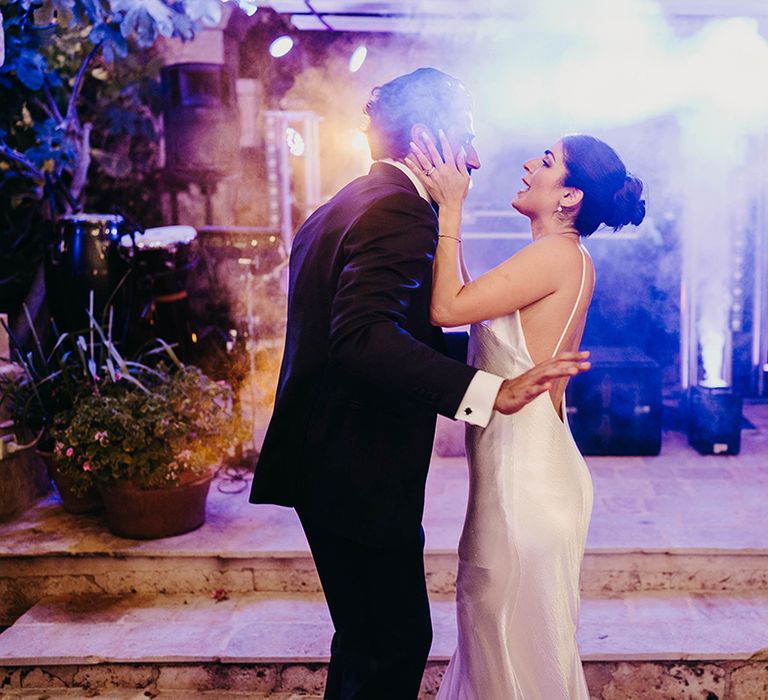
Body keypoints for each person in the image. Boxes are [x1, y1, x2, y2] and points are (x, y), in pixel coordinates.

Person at [249, 68, 591, 700]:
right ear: (431, 140)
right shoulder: (401, 213)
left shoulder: (344, 203)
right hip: (356, 471)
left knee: (367, 644)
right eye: (467, 139)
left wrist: (493, 362)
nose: (480, 159)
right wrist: (489, 391)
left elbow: (401, 329)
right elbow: (363, 338)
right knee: (391, 646)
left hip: (322, 463)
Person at [405, 131, 645, 699]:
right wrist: (445, 208)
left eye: (546, 161)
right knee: (500, 646)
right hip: (527, 475)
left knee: (508, 649)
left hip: (523, 486)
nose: (527, 165)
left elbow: (444, 309)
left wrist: (453, 208)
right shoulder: (563, 256)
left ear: (569, 197)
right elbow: (464, 300)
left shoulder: (554, 255)